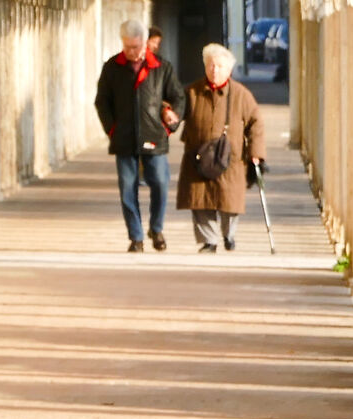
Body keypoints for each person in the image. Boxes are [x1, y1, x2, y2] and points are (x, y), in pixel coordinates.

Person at [94, 20, 183, 253]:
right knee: (127, 188)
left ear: (145, 43)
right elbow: (102, 101)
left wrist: (170, 123)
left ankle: (156, 228)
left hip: (155, 135)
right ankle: (136, 237)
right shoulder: (112, 67)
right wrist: (112, 129)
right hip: (124, 137)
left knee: (160, 182)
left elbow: (178, 97)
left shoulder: (162, 68)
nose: (130, 52)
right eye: (126, 47)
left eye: (135, 47)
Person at [177, 42, 266, 252]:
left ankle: (229, 234)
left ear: (229, 70)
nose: (214, 70)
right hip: (198, 156)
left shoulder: (241, 94)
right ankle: (209, 240)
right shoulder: (192, 92)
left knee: (229, 200)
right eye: (210, 65)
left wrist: (255, 153)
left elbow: (256, 123)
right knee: (200, 200)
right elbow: (176, 112)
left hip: (231, 158)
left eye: (219, 66)